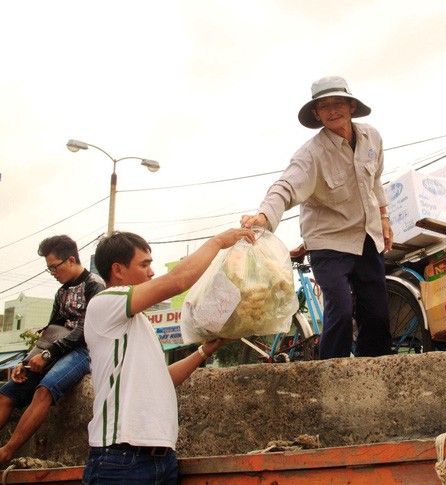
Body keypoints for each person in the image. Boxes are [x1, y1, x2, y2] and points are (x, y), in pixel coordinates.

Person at [82, 228, 255, 485]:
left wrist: (206, 350)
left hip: (160, 459)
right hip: (120, 457)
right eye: (145, 264)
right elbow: (178, 281)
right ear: (118, 270)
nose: (151, 272)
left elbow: (162, 380)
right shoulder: (104, 303)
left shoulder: (138, 323)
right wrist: (218, 242)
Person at [241, 75, 393, 360]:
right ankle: (328, 373)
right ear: (317, 114)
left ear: (350, 106)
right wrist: (263, 215)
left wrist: (384, 218)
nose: (333, 110)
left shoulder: (372, 136)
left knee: (376, 312)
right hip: (329, 241)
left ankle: (373, 371)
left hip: (367, 236)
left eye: (339, 103)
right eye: (325, 106)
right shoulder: (311, 154)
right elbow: (285, 186)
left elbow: (375, 180)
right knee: (341, 308)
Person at [0, 235, 105, 467]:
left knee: (44, 390)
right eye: (49, 269)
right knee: (8, 391)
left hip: (84, 351)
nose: (53, 273)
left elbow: (85, 330)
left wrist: (48, 355)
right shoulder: (61, 293)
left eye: (54, 267)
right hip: (56, 350)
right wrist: (26, 362)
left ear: (70, 260)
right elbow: (50, 331)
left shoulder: (94, 285)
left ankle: (6, 452)